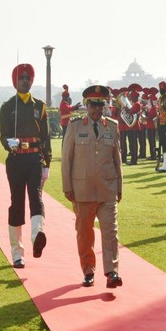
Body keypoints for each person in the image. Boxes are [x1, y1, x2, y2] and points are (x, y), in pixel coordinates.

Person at [61, 84, 123, 288]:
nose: (97, 109)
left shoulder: (112, 126)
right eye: (94, 105)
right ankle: (88, 270)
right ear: (87, 105)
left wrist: (119, 187)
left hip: (107, 188)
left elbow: (117, 159)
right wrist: (67, 186)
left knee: (110, 232)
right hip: (82, 190)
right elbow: (66, 159)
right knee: (85, 234)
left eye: (101, 105)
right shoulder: (75, 126)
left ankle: (112, 272)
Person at [0, 63, 52, 269]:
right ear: (15, 81)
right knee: (17, 203)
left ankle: (37, 235)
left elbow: (46, 138)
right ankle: (17, 253)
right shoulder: (8, 107)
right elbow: (3, 135)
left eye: (28, 77)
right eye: (21, 77)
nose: (25, 80)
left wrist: (47, 163)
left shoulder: (40, 106)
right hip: (16, 159)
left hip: (34, 159)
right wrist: (8, 143)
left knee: (36, 197)